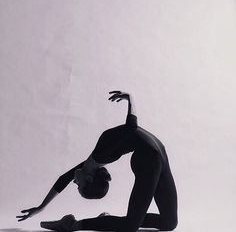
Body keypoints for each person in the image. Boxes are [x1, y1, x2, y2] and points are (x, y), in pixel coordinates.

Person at [17, 91, 178, 232]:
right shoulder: (97, 159)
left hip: (157, 156)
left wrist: (131, 99)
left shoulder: (101, 155)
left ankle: (97, 222)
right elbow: (63, 180)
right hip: (150, 160)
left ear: (89, 178)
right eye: (78, 185)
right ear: (89, 177)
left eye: (78, 185)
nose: (74, 182)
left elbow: (131, 128)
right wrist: (41, 207)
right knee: (131, 226)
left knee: (169, 223)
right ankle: (76, 224)